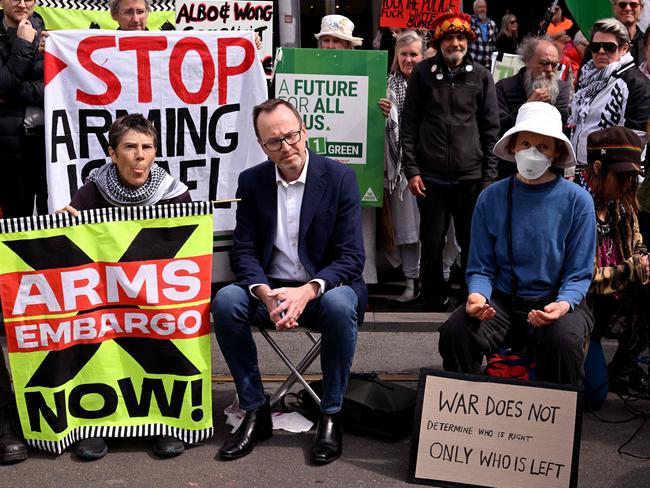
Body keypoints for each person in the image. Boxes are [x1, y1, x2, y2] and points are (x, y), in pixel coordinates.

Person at [212, 99, 366, 465]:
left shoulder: (340, 177)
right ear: (263, 146)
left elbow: (351, 257)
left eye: (292, 135)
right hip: (272, 291)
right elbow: (244, 252)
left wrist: (308, 290)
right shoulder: (252, 182)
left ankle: (330, 413)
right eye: (274, 142)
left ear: (305, 131)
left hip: (322, 291)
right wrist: (264, 294)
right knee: (226, 301)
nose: (287, 147)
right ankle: (255, 410)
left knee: (341, 303)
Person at [57, 114, 191, 459]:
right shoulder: (90, 193)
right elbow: (78, 258)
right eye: (130, 147)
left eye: (147, 147)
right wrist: (64, 229)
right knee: (88, 331)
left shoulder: (176, 195)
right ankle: (95, 424)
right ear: (112, 153)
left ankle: (166, 422)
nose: (139, 155)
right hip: (106, 299)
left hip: (155, 299)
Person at [439, 102, 596, 386]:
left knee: (563, 341)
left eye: (543, 147)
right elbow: (480, 267)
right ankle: (465, 418)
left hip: (556, 300)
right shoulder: (491, 198)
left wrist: (561, 305)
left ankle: (554, 423)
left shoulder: (578, 201)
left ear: (556, 152)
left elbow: (579, 273)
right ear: (513, 147)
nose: (533, 152)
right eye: (525, 143)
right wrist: (477, 296)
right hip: (501, 301)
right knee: (456, 331)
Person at [401, 11, 499, 311]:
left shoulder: (481, 76)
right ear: (440, 41)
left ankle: (471, 296)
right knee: (431, 244)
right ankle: (433, 298)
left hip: (470, 178)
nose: (455, 43)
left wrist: (488, 178)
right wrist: (412, 170)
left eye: (460, 37)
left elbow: (490, 129)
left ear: (468, 40)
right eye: (448, 38)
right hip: (429, 177)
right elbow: (409, 124)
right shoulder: (422, 73)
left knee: (472, 244)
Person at [577, 127, 650, 396]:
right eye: (622, 176)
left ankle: (624, 366)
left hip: (617, 306)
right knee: (593, 394)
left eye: (632, 177)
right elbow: (583, 280)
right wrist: (633, 269)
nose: (628, 184)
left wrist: (643, 259)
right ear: (597, 167)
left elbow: (637, 242)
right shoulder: (575, 205)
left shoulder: (622, 205)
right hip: (582, 312)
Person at [378, 32, 425, 302]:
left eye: (414, 54)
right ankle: (410, 283)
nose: (408, 59)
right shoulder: (386, 84)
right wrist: (384, 113)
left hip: (431, 165)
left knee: (434, 230)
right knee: (407, 229)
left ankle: (434, 283)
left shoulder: (433, 82)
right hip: (400, 170)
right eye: (404, 54)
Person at [569, 18, 650, 169]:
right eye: (595, 46)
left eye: (609, 47)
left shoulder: (637, 84)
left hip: (612, 175)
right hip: (581, 170)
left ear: (624, 48)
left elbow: (636, 141)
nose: (601, 51)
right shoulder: (587, 76)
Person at [0, 0, 46, 219]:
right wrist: (24, 43)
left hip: (48, 143)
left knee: (54, 214)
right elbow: (5, 84)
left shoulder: (47, 35)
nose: (21, 4)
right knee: (16, 218)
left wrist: (12, 93)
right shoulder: (27, 38)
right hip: (9, 145)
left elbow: (54, 87)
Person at [469, 0, 497, 70]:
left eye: (484, 7)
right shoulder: (468, 22)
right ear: (474, 9)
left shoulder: (492, 24)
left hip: (488, 64)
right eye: (480, 7)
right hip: (473, 62)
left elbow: (493, 44)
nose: (483, 9)